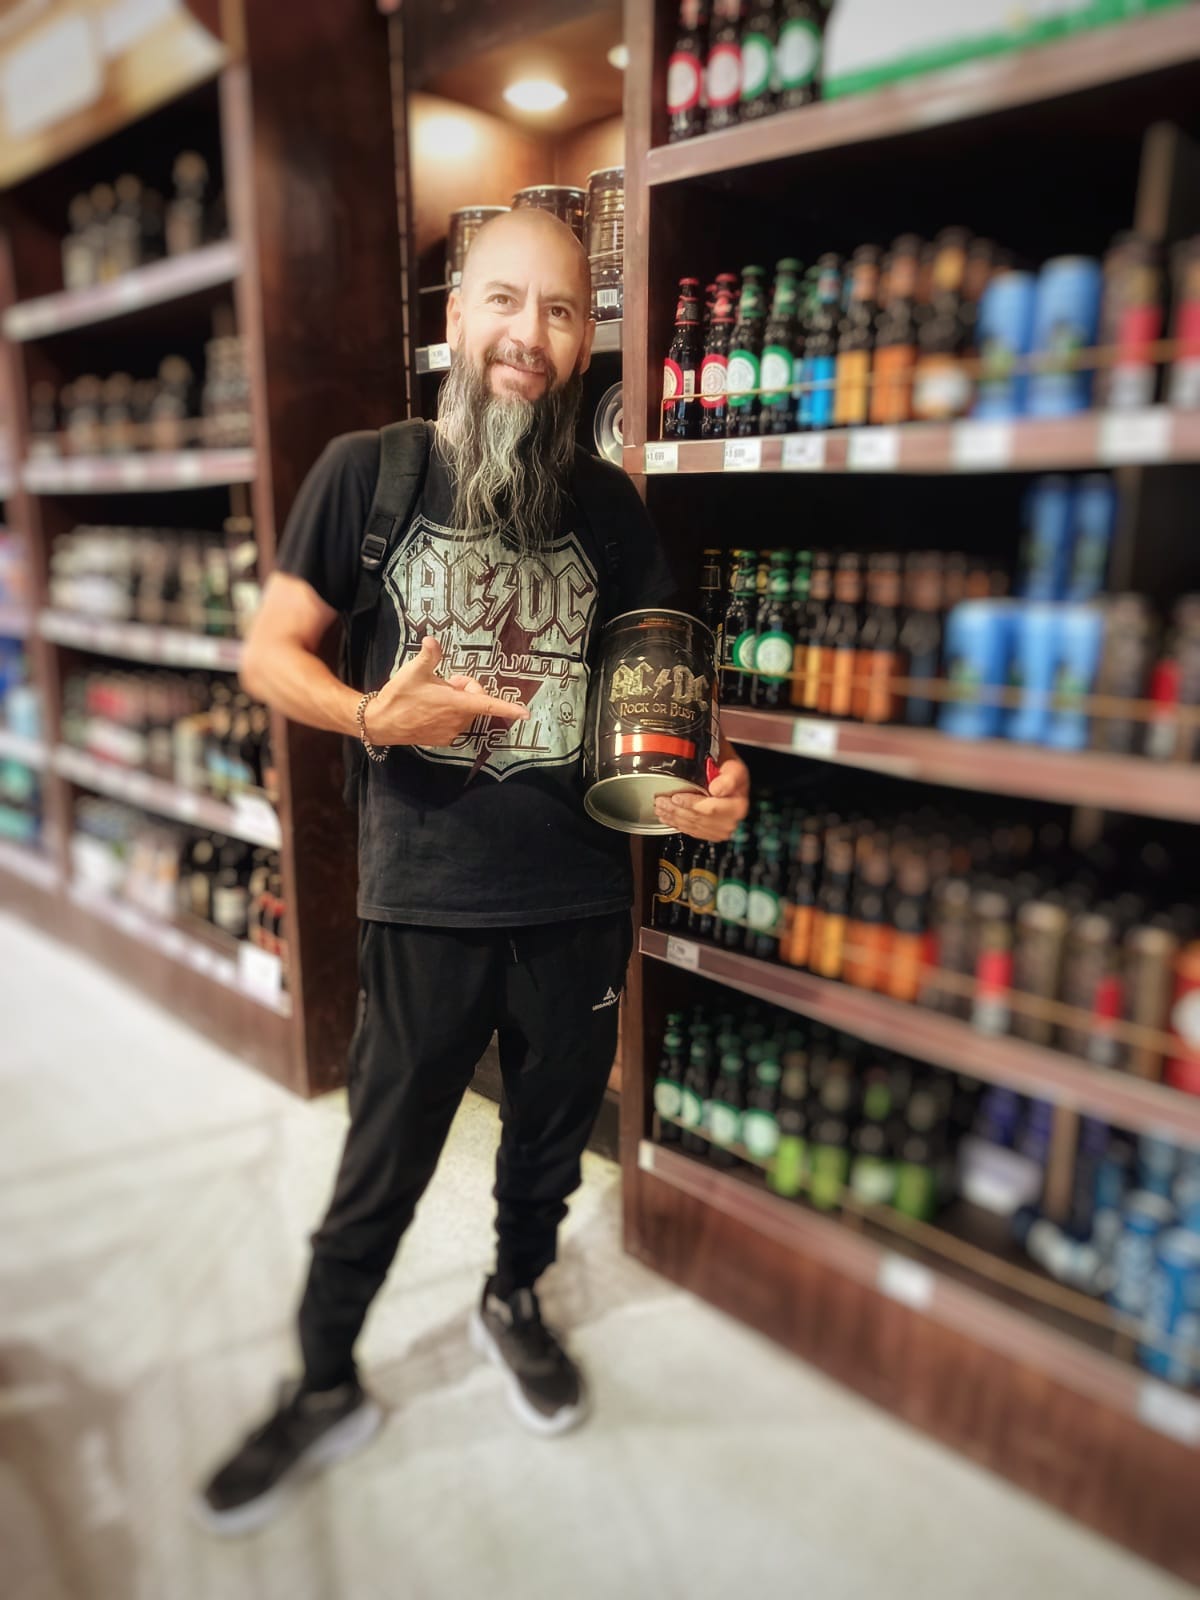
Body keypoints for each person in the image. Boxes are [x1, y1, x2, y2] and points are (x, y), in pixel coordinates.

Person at [193, 208, 750, 1536]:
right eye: (504, 301)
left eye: (559, 312)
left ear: (583, 339)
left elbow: (652, 698)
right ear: (457, 315)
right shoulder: (368, 473)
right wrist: (373, 714)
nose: (529, 336)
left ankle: (514, 1297)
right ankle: (323, 1381)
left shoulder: (610, 507)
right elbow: (269, 654)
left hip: (578, 899)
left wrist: (700, 785)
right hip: (426, 899)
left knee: (549, 1143)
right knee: (383, 1158)